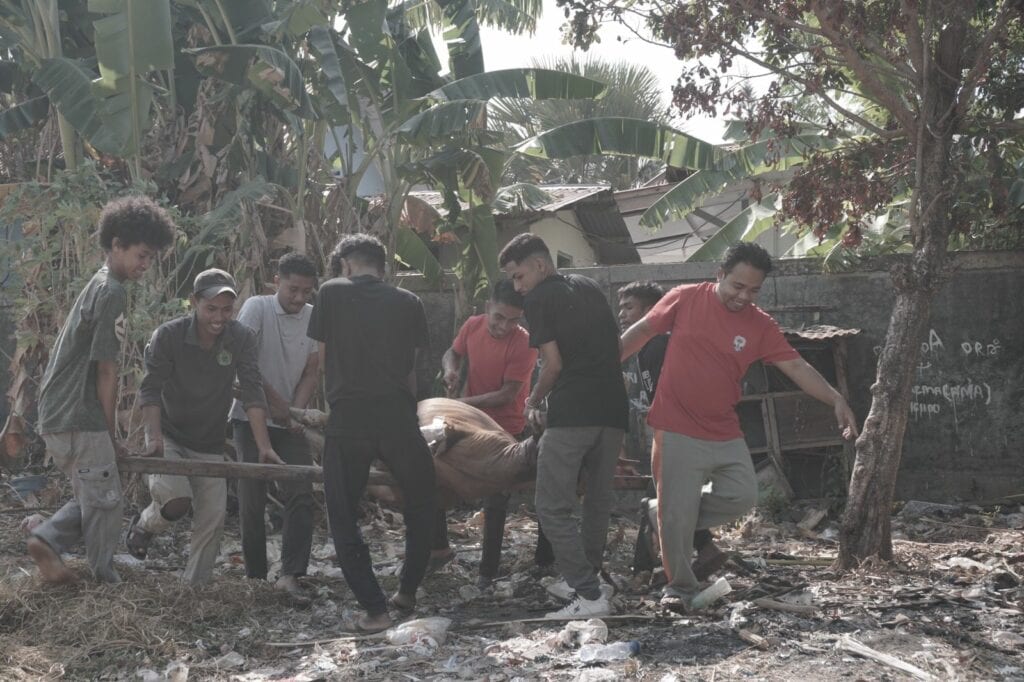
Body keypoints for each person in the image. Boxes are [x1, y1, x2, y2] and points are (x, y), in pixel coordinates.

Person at [620, 241, 858, 611]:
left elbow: (796, 367)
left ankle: (660, 513)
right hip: (675, 425)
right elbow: (641, 332)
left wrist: (835, 399)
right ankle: (680, 587)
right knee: (677, 513)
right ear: (720, 275)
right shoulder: (685, 298)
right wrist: (604, 365)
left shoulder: (760, 325)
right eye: (737, 286)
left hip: (723, 429)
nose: (744, 296)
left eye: (753, 290)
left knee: (742, 495)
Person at [28, 196, 175, 584]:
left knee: (94, 494)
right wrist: (109, 434)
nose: (145, 266)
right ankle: (102, 580)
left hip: (58, 412)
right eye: (141, 256)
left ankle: (48, 542)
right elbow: (106, 371)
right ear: (116, 244)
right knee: (106, 503)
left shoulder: (99, 281)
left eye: (150, 259)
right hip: (79, 414)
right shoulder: (111, 292)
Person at [307, 233, 437, 633]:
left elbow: (324, 360)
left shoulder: (331, 292)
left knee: (343, 516)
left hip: (350, 420)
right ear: (383, 266)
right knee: (422, 504)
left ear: (346, 263)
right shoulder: (409, 302)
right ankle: (407, 592)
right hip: (398, 416)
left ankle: (375, 610)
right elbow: (411, 371)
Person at [500, 233, 628, 619]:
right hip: (613, 413)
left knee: (552, 507)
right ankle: (586, 580)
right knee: (598, 503)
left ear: (539, 265)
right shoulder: (589, 286)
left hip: (573, 414)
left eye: (519, 277)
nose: (518, 288)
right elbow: (615, 348)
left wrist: (533, 400)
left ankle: (588, 597)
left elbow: (552, 365)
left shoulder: (540, 298)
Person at [128, 269, 282, 586]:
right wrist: (154, 438)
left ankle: (193, 590)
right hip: (168, 433)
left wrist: (264, 446)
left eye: (227, 309)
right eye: (211, 308)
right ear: (194, 303)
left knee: (212, 519)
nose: (219, 317)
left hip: (210, 441)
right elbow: (150, 390)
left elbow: (253, 393)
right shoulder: (168, 336)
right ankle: (145, 525)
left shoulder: (240, 338)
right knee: (176, 501)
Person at [438, 280, 547, 587]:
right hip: (470, 424)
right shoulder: (472, 326)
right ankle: (439, 550)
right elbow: (453, 352)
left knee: (496, 501)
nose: (504, 326)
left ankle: (489, 571)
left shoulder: (524, 342)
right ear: (487, 308)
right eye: (499, 317)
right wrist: (451, 369)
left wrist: (458, 403)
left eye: (513, 320)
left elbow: (506, 395)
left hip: (507, 429)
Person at [230, 253, 319, 599]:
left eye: (306, 292)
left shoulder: (314, 317)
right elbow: (244, 363)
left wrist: (295, 410)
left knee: (300, 492)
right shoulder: (257, 307)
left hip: (290, 423)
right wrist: (276, 405)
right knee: (252, 499)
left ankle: (291, 573)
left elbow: (312, 370)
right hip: (248, 417)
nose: (299, 298)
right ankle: (254, 578)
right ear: (276, 282)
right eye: (292, 289)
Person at [618, 280, 669, 473]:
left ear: (650, 311)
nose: (621, 315)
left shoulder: (659, 345)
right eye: (621, 308)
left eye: (629, 307)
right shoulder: (648, 346)